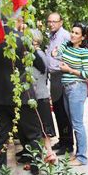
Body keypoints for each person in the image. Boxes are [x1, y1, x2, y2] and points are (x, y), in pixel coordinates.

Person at [0, 23, 46, 175]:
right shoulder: (23, 39)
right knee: (33, 135)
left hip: (0, 96)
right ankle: (36, 174)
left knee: (2, 138)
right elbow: (41, 65)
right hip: (23, 95)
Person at [51, 23, 88, 167]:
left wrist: (69, 70)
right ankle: (77, 154)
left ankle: (82, 157)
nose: (73, 35)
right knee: (72, 122)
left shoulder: (84, 52)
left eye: (77, 33)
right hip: (66, 88)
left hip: (77, 88)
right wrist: (55, 52)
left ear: (82, 37)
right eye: (72, 32)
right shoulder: (66, 46)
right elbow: (55, 53)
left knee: (77, 124)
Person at [45, 13, 74, 156]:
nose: (51, 24)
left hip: (62, 75)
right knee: (57, 110)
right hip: (54, 77)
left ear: (61, 22)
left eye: (54, 22)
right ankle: (63, 140)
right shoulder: (53, 36)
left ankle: (68, 144)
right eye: (49, 21)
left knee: (63, 111)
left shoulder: (65, 36)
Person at [30, 29, 57, 164]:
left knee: (43, 128)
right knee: (43, 128)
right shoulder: (40, 54)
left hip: (39, 96)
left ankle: (49, 154)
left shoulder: (36, 55)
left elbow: (35, 77)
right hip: (40, 95)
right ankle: (47, 154)